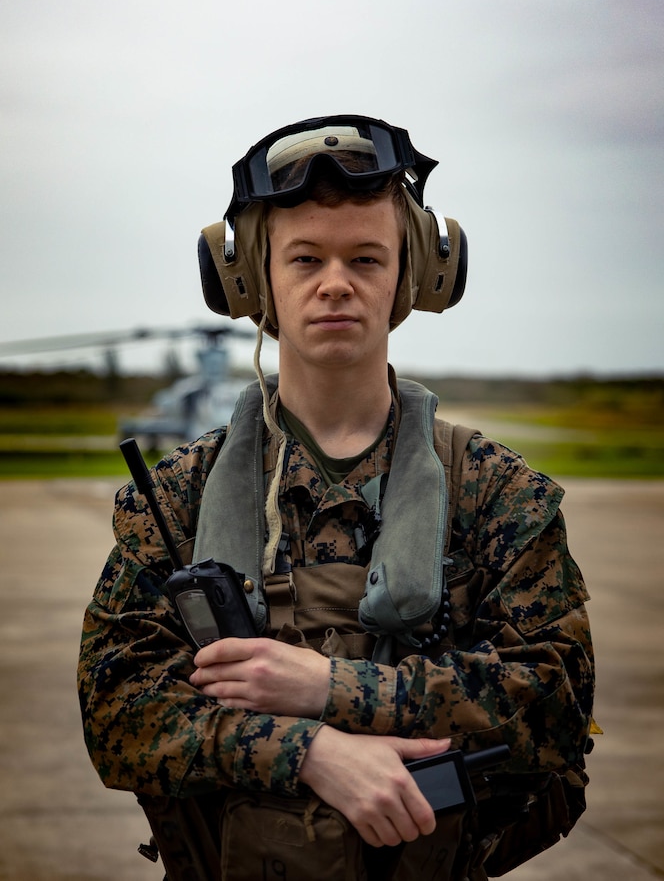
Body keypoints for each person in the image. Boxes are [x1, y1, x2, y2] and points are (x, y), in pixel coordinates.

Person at [77, 115, 595, 881]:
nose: (335, 284)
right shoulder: (178, 499)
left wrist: (326, 686)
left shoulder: (495, 491)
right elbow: (117, 711)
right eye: (305, 258)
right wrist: (312, 753)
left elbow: (554, 704)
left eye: (366, 258)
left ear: (413, 277)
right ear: (252, 282)